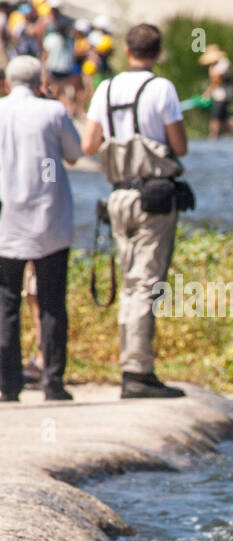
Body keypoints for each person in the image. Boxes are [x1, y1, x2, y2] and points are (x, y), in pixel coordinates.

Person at [81, 22, 188, 399]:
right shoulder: (162, 88)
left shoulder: (105, 88)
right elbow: (180, 145)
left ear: (127, 51)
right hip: (154, 197)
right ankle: (138, 373)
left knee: (130, 283)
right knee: (146, 284)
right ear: (158, 54)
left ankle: (132, 365)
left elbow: (89, 144)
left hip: (117, 197)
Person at [0, 55, 81, 401]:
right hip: (50, 218)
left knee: (5, 305)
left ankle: (8, 385)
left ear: (7, 82)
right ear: (40, 82)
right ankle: (52, 382)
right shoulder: (53, 112)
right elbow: (74, 153)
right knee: (51, 303)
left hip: (6, 221)